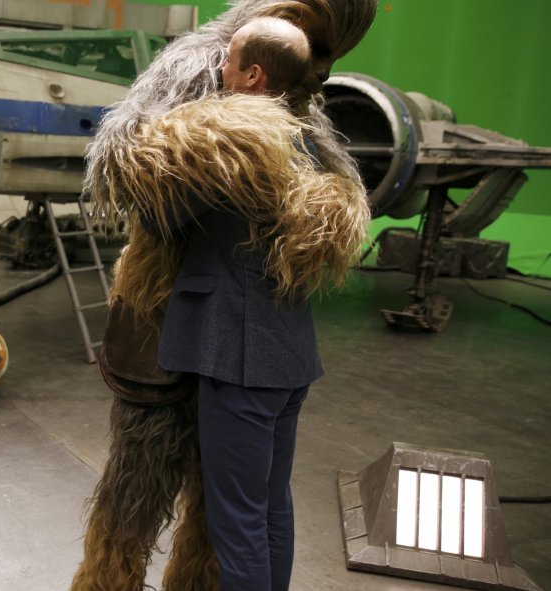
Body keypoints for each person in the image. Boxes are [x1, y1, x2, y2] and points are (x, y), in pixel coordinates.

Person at [72, 2, 378, 590]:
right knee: (151, 485)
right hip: (172, 315)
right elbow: (123, 162)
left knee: (231, 512)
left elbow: (326, 194)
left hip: (228, 340)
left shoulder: (290, 99)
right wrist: (220, 145)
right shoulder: (208, 72)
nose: (321, 76)